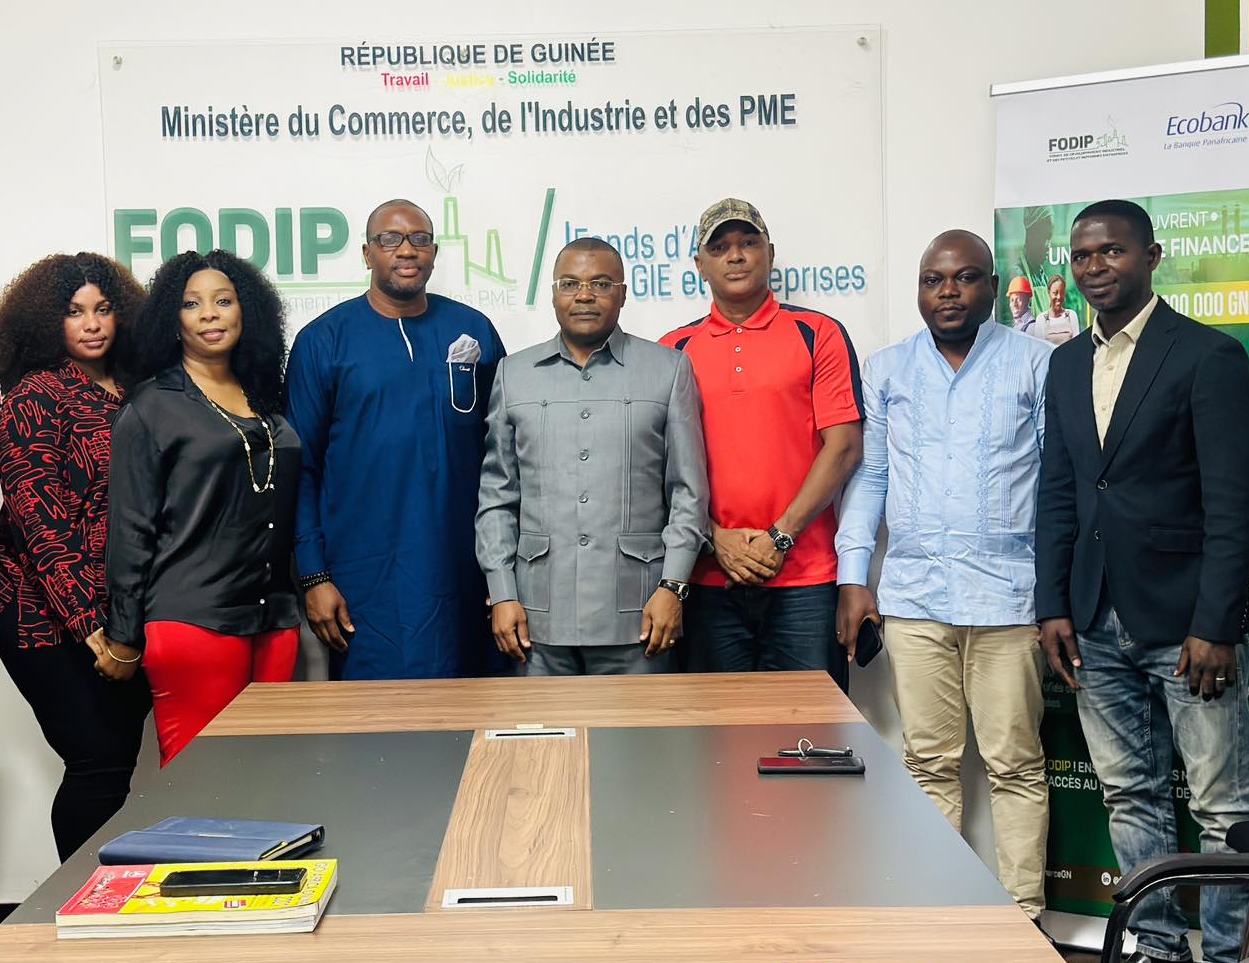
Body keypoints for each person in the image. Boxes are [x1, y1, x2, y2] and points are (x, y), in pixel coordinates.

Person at [1037, 199, 1249, 963]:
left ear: (1152, 256)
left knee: (1222, 806)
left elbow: (1233, 503)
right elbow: (1060, 491)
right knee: (1129, 795)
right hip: (1093, 618)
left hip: (1188, 624)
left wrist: (1217, 623)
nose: (1095, 267)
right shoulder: (1065, 363)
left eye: (1113, 252)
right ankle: (1160, 956)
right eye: (1083, 255)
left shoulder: (1207, 356)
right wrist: (1052, 605)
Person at [836, 230, 1051, 920]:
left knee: (1015, 763)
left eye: (965, 278)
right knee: (928, 762)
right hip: (916, 598)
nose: (948, 292)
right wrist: (853, 575)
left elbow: (1057, 484)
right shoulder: (888, 369)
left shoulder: (1035, 363)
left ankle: (1025, 919)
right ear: (919, 289)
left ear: (992, 285)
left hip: (1009, 598)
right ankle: (939, 916)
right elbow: (871, 475)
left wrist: (1055, 594)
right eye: (933, 280)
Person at [287, 199, 505, 680]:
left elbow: (504, 459)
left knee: (471, 711)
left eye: (419, 239)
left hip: (465, 574)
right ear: (368, 254)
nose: (407, 250)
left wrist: (505, 575)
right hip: (363, 580)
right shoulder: (323, 341)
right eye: (390, 239)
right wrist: (314, 575)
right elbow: (301, 470)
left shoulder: (475, 331)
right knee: (376, 718)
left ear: (434, 253)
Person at [0, 252, 152, 861]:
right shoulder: (35, 395)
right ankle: (80, 899)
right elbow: (38, 521)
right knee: (96, 762)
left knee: (117, 764)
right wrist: (91, 626)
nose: (92, 324)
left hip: (127, 609)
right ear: (45, 320)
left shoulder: (137, 389)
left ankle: (111, 895)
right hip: (45, 616)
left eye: (103, 309)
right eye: (74, 312)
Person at [476, 238, 708, 675]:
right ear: (552, 294)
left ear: (623, 294)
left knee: (640, 726)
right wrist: (502, 591)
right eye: (570, 283)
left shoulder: (668, 369)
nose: (584, 295)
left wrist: (673, 587)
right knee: (541, 725)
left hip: (640, 613)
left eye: (601, 284)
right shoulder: (514, 374)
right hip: (536, 618)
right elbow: (497, 497)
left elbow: (688, 492)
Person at [105, 249, 300, 766]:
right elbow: (130, 531)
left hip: (274, 618)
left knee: (270, 779)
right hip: (195, 620)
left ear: (246, 310)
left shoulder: (266, 396)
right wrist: (124, 636)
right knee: (201, 784)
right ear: (173, 320)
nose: (210, 314)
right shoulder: (151, 407)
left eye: (223, 301)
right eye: (192, 304)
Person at [661, 199, 863, 690]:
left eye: (748, 243)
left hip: (804, 581)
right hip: (707, 579)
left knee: (811, 729)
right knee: (715, 732)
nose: (736, 256)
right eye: (720, 248)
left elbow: (843, 446)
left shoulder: (818, 333)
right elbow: (656, 467)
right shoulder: (673, 349)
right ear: (699, 265)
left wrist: (781, 536)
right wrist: (714, 539)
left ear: (770, 253)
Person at [1032, 274, 1080, 347]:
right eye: (1055, 293)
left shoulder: (1071, 315)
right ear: (1049, 292)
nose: (1059, 297)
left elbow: (1077, 344)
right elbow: (1039, 347)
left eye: (1062, 293)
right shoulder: (1041, 318)